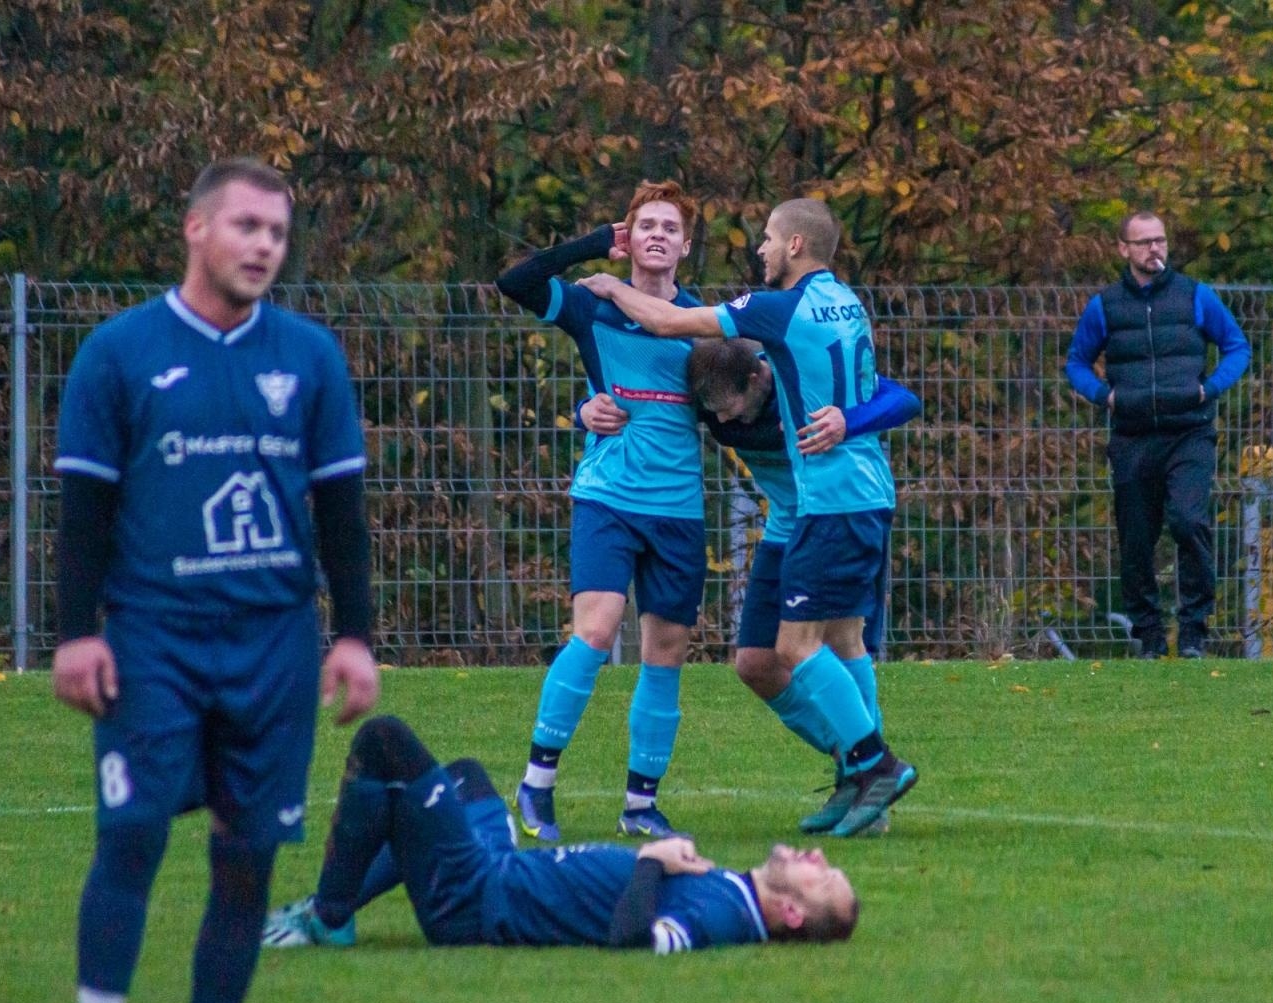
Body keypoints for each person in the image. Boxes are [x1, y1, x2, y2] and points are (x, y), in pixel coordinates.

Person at [52, 157, 379, 1003]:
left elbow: (343, 515)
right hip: (153, 637)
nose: (265, 246)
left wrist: (353, 636)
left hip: (273, 646)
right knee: (132, 834)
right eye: (247, 227)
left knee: (247, 863)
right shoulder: (118, 353)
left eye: (278, 233)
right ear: (196, 228)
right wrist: (78, 633)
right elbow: (83, 513)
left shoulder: (310, 357)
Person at [576, 198, 917, 838]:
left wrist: (608, 289)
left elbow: (672, 324)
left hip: (837, 500)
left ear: (794, 246)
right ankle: (860, 771)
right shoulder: (845, 302)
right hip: (815, 512)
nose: (756, 249)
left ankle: (873, 766)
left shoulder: (776, 313)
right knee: (767, 658)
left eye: (765, 239)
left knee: (809, 645)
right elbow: (638, 388)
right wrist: (582, 410)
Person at [260, 715, 858, 952]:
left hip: (476, 898)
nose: (816, 854)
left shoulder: (725, 920)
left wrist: (652, 859)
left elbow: (633, 937)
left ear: (794, 913)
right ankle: (325, 906)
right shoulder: (736, 892)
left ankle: (328, 918)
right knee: (464, 778)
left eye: (821, 874)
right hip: (500, 869)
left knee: (383, 741)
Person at [494, 180, 707, 842]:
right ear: (630, 234)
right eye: (646, 224)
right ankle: (536, 786)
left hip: (679, 507)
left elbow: (734, 403)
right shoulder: (590, 305)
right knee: (596, 628)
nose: (658, 235)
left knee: (666, 648)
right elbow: (517, 280)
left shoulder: (702, 322)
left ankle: (641, 804)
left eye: (670, 227)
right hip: (608, 496)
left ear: (685, 245)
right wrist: (594, 246)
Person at [1064, 210, 1251, 659]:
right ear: (1123, 249)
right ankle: (1148, 634)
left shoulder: (1195, 297)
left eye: (1161, 240)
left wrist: (1210, 388)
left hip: (1189, 432)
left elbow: (1237, 347)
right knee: (1136, 537)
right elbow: (1075, 362)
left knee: (1188, 522)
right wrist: (1103, 396)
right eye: (1145, 241)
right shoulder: (1104, 306)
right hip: (1132, 436)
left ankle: (1193, 631)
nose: (1155, 249)